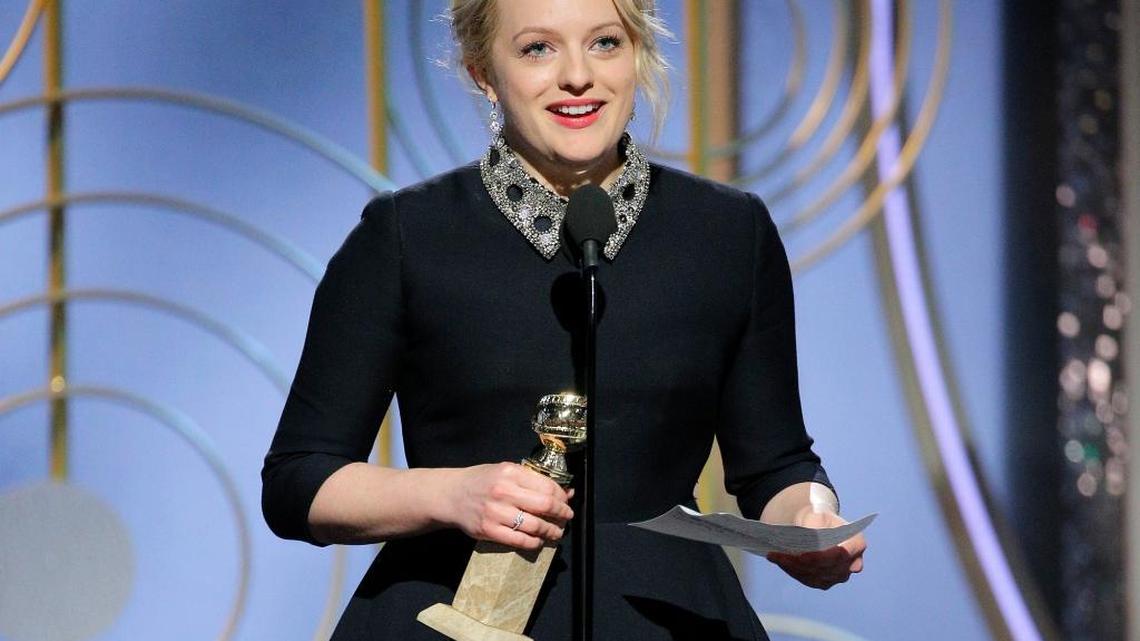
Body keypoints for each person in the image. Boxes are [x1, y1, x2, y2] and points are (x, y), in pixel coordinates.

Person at [261, 0, 867, 638]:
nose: (578, 75)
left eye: (605, 42)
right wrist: (453, 495)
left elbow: (777, 465)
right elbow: (300, 480)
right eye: (537, 49)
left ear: (638, 54)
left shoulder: (727, 232)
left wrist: (809, 521)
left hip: (665, 617)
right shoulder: (408, 235)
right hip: (453, 613)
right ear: (483, 73)